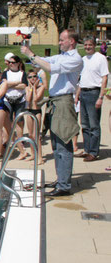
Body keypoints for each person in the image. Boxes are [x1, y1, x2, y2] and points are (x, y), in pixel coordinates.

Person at [21, 29, 83, 196]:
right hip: (56, 102)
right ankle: (61, 178)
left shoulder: (75, 59)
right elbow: (40, 63)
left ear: (72, 41)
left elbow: (49, 67)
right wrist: (29, 51)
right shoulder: (61, 56)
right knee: (56, 145)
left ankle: (64, 186)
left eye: (63, 40)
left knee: (63, 143)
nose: (59, 42)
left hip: (63, 102)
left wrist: (30, 54)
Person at [74, 36, 109, 161]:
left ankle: (93, 152)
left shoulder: (100, 58)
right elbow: (81, 80)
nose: (87, 47)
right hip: (83, 92)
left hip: (94, 93)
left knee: (94, 125)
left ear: (94, 45)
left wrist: (101, 97)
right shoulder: (83, 60)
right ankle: (87, 149)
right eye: (86, 45)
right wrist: (77, 95)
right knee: (84, 124)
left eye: (90, 45)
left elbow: (104, 78)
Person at [2, 55, 29, 159]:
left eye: (13, 62)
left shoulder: (22, 73)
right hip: (8, 99)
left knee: (19, 121)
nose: (11, 64)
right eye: (9, 62)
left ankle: (20, 141)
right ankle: (8, 142)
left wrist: (11, 84)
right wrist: (17, 83)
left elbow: (24, 85)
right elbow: (4, 84)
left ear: (18, 63)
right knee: (7, 122)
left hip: (19, 99)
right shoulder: (6, 73)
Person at [25, 69, 46, 164]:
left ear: (37, 78)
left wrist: (34, 88)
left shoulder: (41, 87)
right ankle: (33, 154)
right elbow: (28, 99)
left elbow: (36, 99)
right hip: (29, 111)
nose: (32, 78)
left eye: (34, 76)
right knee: (30, 135)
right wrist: (31, 87)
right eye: (30, 77)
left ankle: (40, 157)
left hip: (37, 111)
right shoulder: (26, 88)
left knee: (36, 135)